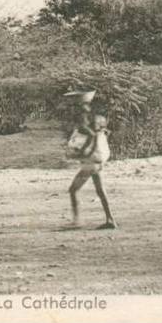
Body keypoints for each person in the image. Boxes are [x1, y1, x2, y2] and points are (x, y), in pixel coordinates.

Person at [64, 90, 117, 230]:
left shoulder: (83, 117)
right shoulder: (95, 116)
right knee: (100, 190)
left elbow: (91, 135)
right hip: (99, 157)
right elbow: (102, 133)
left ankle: (77, 221)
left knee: (73, 189)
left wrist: (84, 151)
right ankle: (110, 219)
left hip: (92, 159)